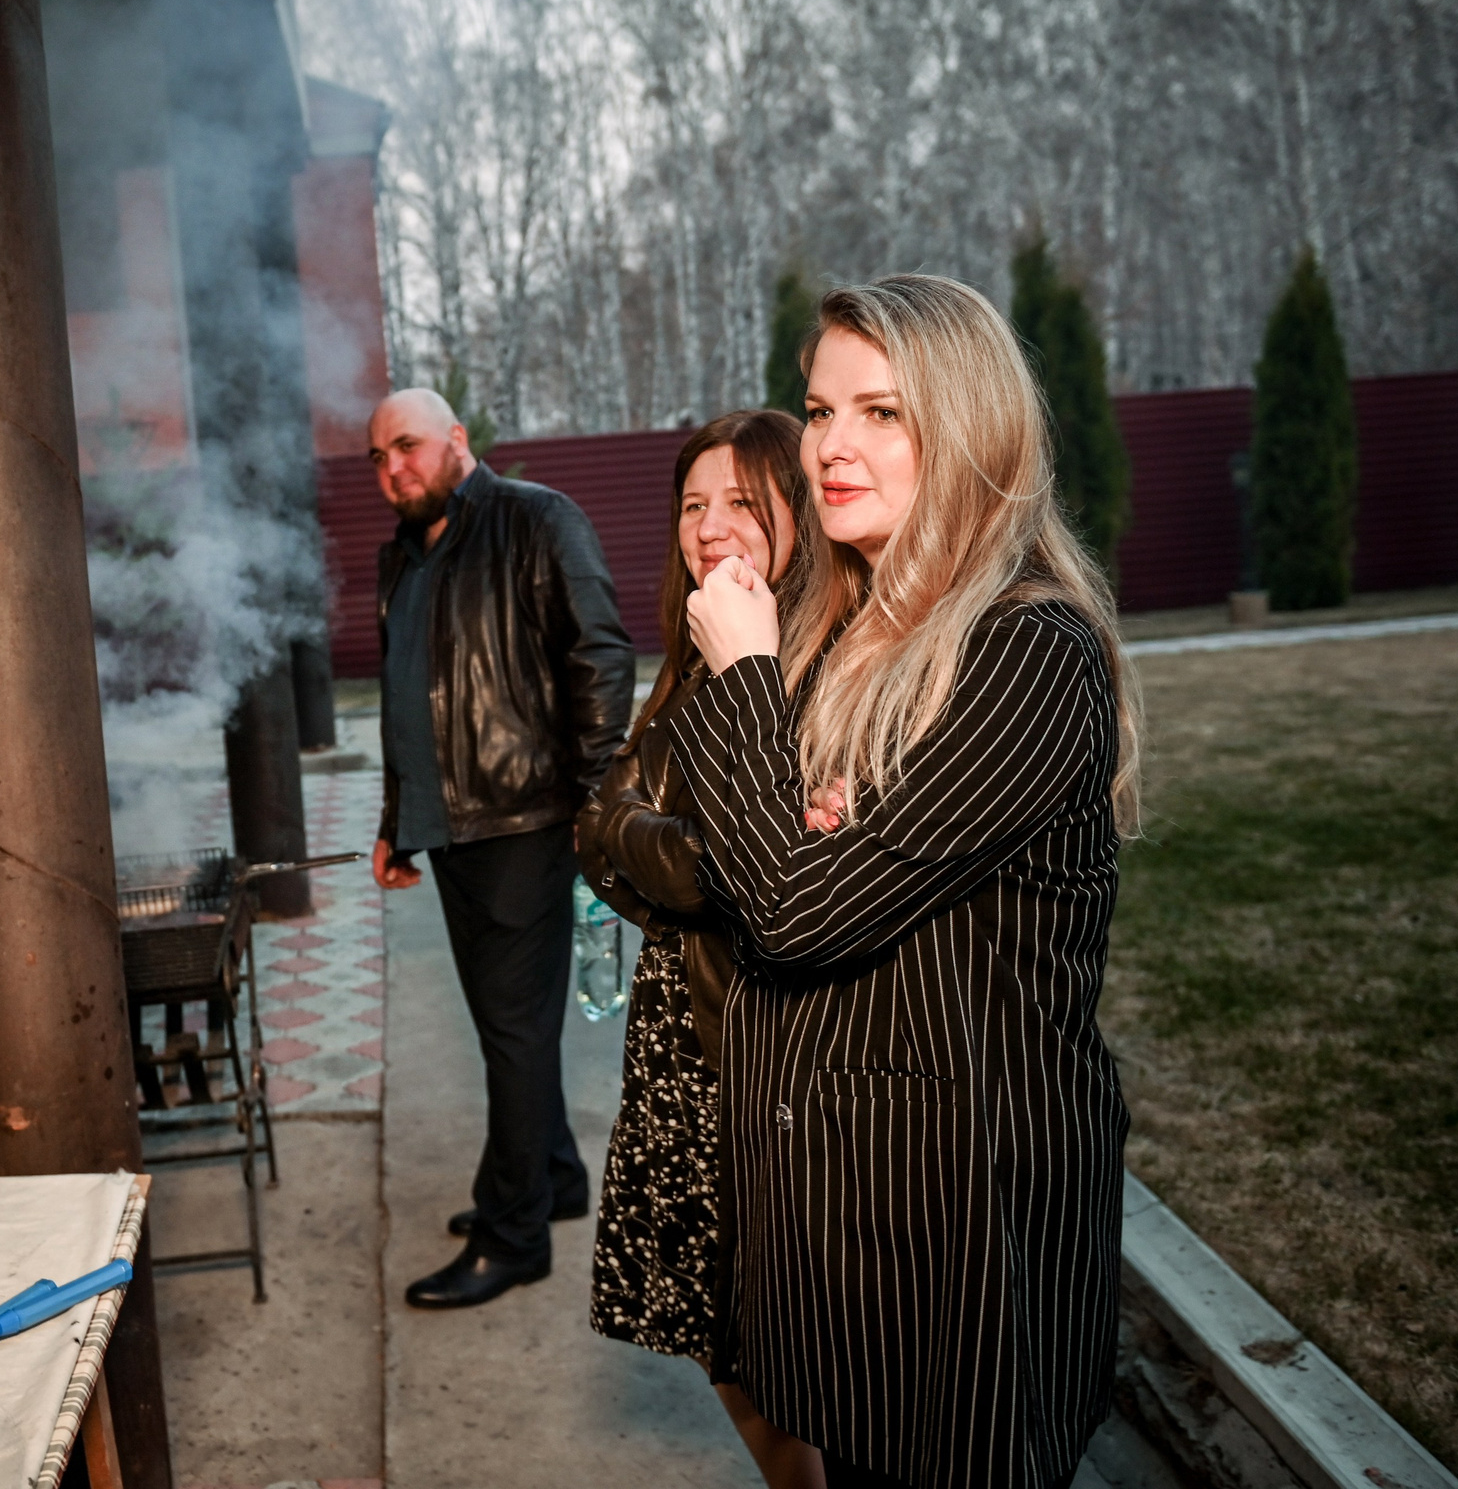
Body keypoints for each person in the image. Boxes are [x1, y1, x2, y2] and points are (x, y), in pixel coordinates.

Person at [673, 277, 1141, 1489]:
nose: (830, 444)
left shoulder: (1025, 649)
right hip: (850, 1228)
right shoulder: (852, 625)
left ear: (968, 428)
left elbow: (789, 908)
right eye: (821, 408)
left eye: (880, 411)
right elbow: (777, 866)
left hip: (955, 1241)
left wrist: (738, 686)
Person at [580, 409, 825, 1489]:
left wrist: (641, 840)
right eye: (693, 504)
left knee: (784, 1341)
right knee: (711, 1331)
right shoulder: (693, 648)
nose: (711, 526)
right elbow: (605, 838)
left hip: (760, 1053)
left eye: (741, 501)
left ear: (797, 511)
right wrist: (646, 842)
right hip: (681, 1035)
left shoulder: (807, 661)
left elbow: (728, 870)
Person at [366, 387, 634, 1309]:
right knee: (505, 1028)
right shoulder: (399, 557)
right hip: (449, 832)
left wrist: (598, 807)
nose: (392, 467)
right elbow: (407, 696)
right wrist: (396, 821)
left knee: (515, 1034)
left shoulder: (537, 521)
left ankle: (513, 1231)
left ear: (455, 440)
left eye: (406, 446)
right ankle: (553, 1177)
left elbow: (598, 655)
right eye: (378, 456)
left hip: (525, 822)